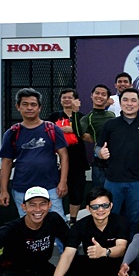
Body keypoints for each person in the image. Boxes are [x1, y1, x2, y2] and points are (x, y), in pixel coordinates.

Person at [46, 187, 130, 276]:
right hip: (92, 265)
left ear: (111, 205)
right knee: (71, 261)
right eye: (95, 207)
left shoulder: (120, 221)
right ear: (88, 208)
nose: (100, 210)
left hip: (115, 267)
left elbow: (121, 248)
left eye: (104, 205)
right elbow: (67, 254)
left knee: (129, 261)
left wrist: (104, 252)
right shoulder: (80, 225)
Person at [0, 88, 69, 219]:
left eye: (33, 104)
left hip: (51, 187)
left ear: (39, 108)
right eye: (25, 104)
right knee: (28, 224)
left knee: (58, 223)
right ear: (18, 107)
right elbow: (6, 162)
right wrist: (3, 190)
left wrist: (63, 182)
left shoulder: (52, 129)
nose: (29, 108)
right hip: (22, 188)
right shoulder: (12, 133)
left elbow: (64, 156)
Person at [96, 88, 139, 232]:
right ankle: (113, 244)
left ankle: (133, 245)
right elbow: (97, 147)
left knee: (135, 218)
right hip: (113, 180)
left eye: (133, 100)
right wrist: (100, 153)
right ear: (120, 103)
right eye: (125, 100)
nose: (129, 104)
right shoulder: (110, 125)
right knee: (110, 216)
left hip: (137, 181)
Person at [47, 88, 89, 226]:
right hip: (57, 160)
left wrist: (75, 129)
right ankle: (56, 220)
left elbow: (90, 138)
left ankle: (73, 221)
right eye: (64, 97)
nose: (66, 100)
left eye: (70, 97)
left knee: (76, 192)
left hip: (77, 160)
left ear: (76, 100)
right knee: (56, 191)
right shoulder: (53, 117)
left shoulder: (82, 117)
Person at [80, 84, 115, 189]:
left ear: (108, 98)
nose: (99, 96)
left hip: (115, 158)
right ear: (92, 95)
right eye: (97, 93)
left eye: (103, 94)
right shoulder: (87, 118)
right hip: (99, 160)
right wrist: (74, 112)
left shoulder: (112, 115)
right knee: (99, 192)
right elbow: (79, 132)